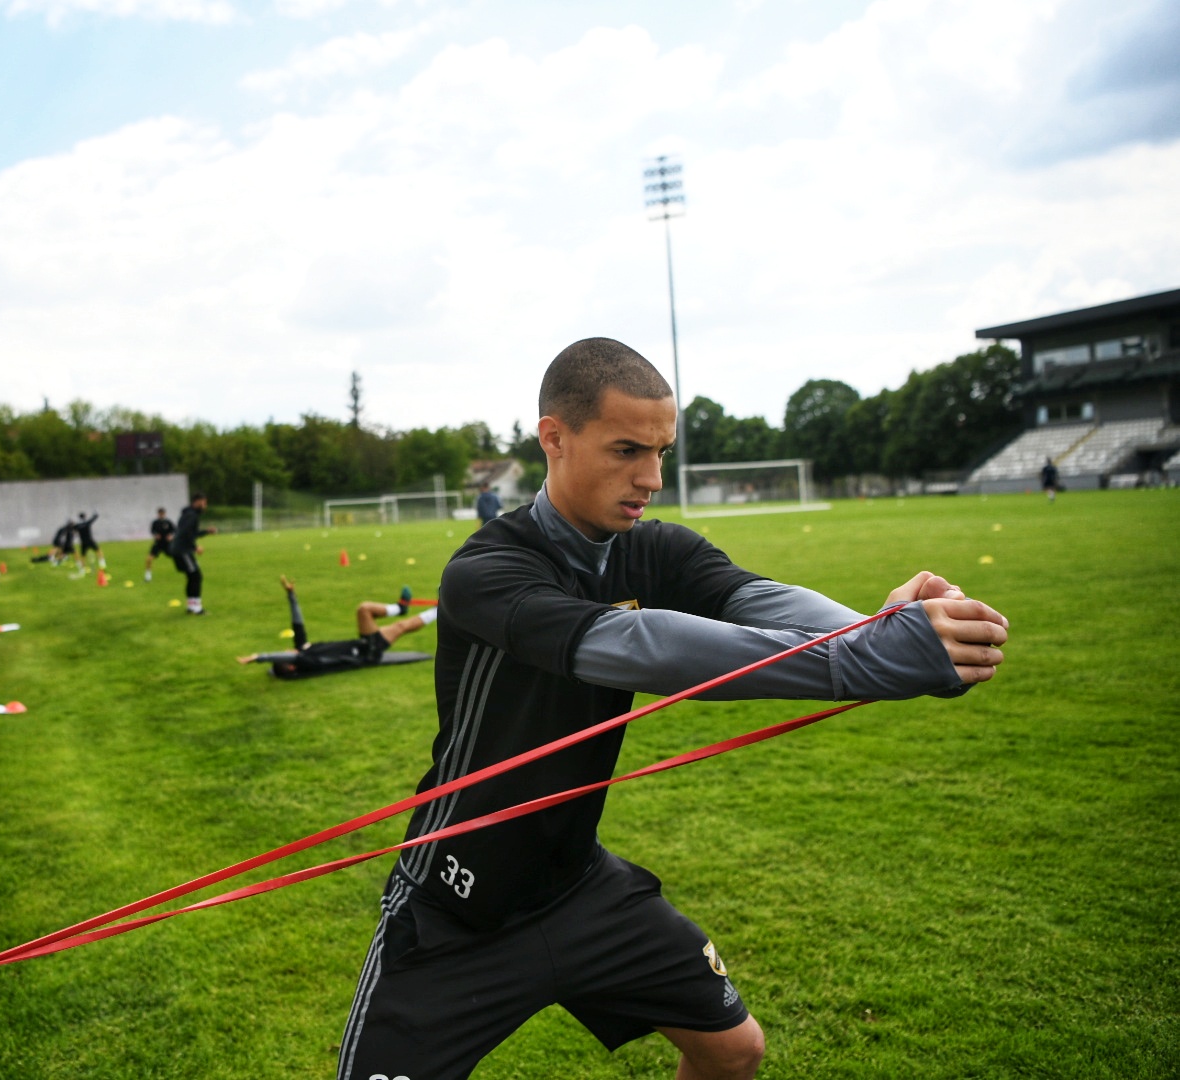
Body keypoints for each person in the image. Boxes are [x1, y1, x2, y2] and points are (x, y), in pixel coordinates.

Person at [337, 337, 1010, 1080]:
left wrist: (876, 631)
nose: (652, 478)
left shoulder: (655, 551)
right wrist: (874, 658)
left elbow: (760, 601)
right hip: (453, 908)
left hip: (576, 886)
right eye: (628, 450)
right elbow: (639, 644)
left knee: (732, 1050)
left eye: (661, 452)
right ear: (554, 438)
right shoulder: (488, 571)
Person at [238, 577, 434, 678]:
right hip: (366, 653)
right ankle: (432, 609)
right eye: (286, 655)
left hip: (363, 645)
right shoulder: (306, 660)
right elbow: (288, 657)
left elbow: (297, 622)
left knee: (391, 622)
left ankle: (406, 609)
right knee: (369, 612)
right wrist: (258, 657)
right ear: (290, 665)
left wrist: (291, 595)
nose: (287, 650)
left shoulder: (303, 648)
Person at [169, 492, 218, 615]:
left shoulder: (188, 514)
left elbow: (192, 533)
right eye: (204, 503)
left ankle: (191, 606)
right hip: (182, 550)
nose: (205, 506)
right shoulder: (191, 515)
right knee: (196, 576)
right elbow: (186, 533)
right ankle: (197, 608)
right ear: (198, 501)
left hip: (180, 549)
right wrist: (195, 547)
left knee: (192, 576)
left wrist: (206, 531)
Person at [144, 507, 174, 582]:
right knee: (149, 559)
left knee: (178, 555)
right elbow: (152, 531)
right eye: (160, 514)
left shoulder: (168, 522)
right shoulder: (155, 522)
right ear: (158, 514)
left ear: (164, 514)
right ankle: (148, 576)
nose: (161, 515)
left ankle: (189, 568)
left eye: (162, 513)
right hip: (158, 544)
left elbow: (174, 530)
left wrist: (171, 536)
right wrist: (156, 535)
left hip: (168, 544)